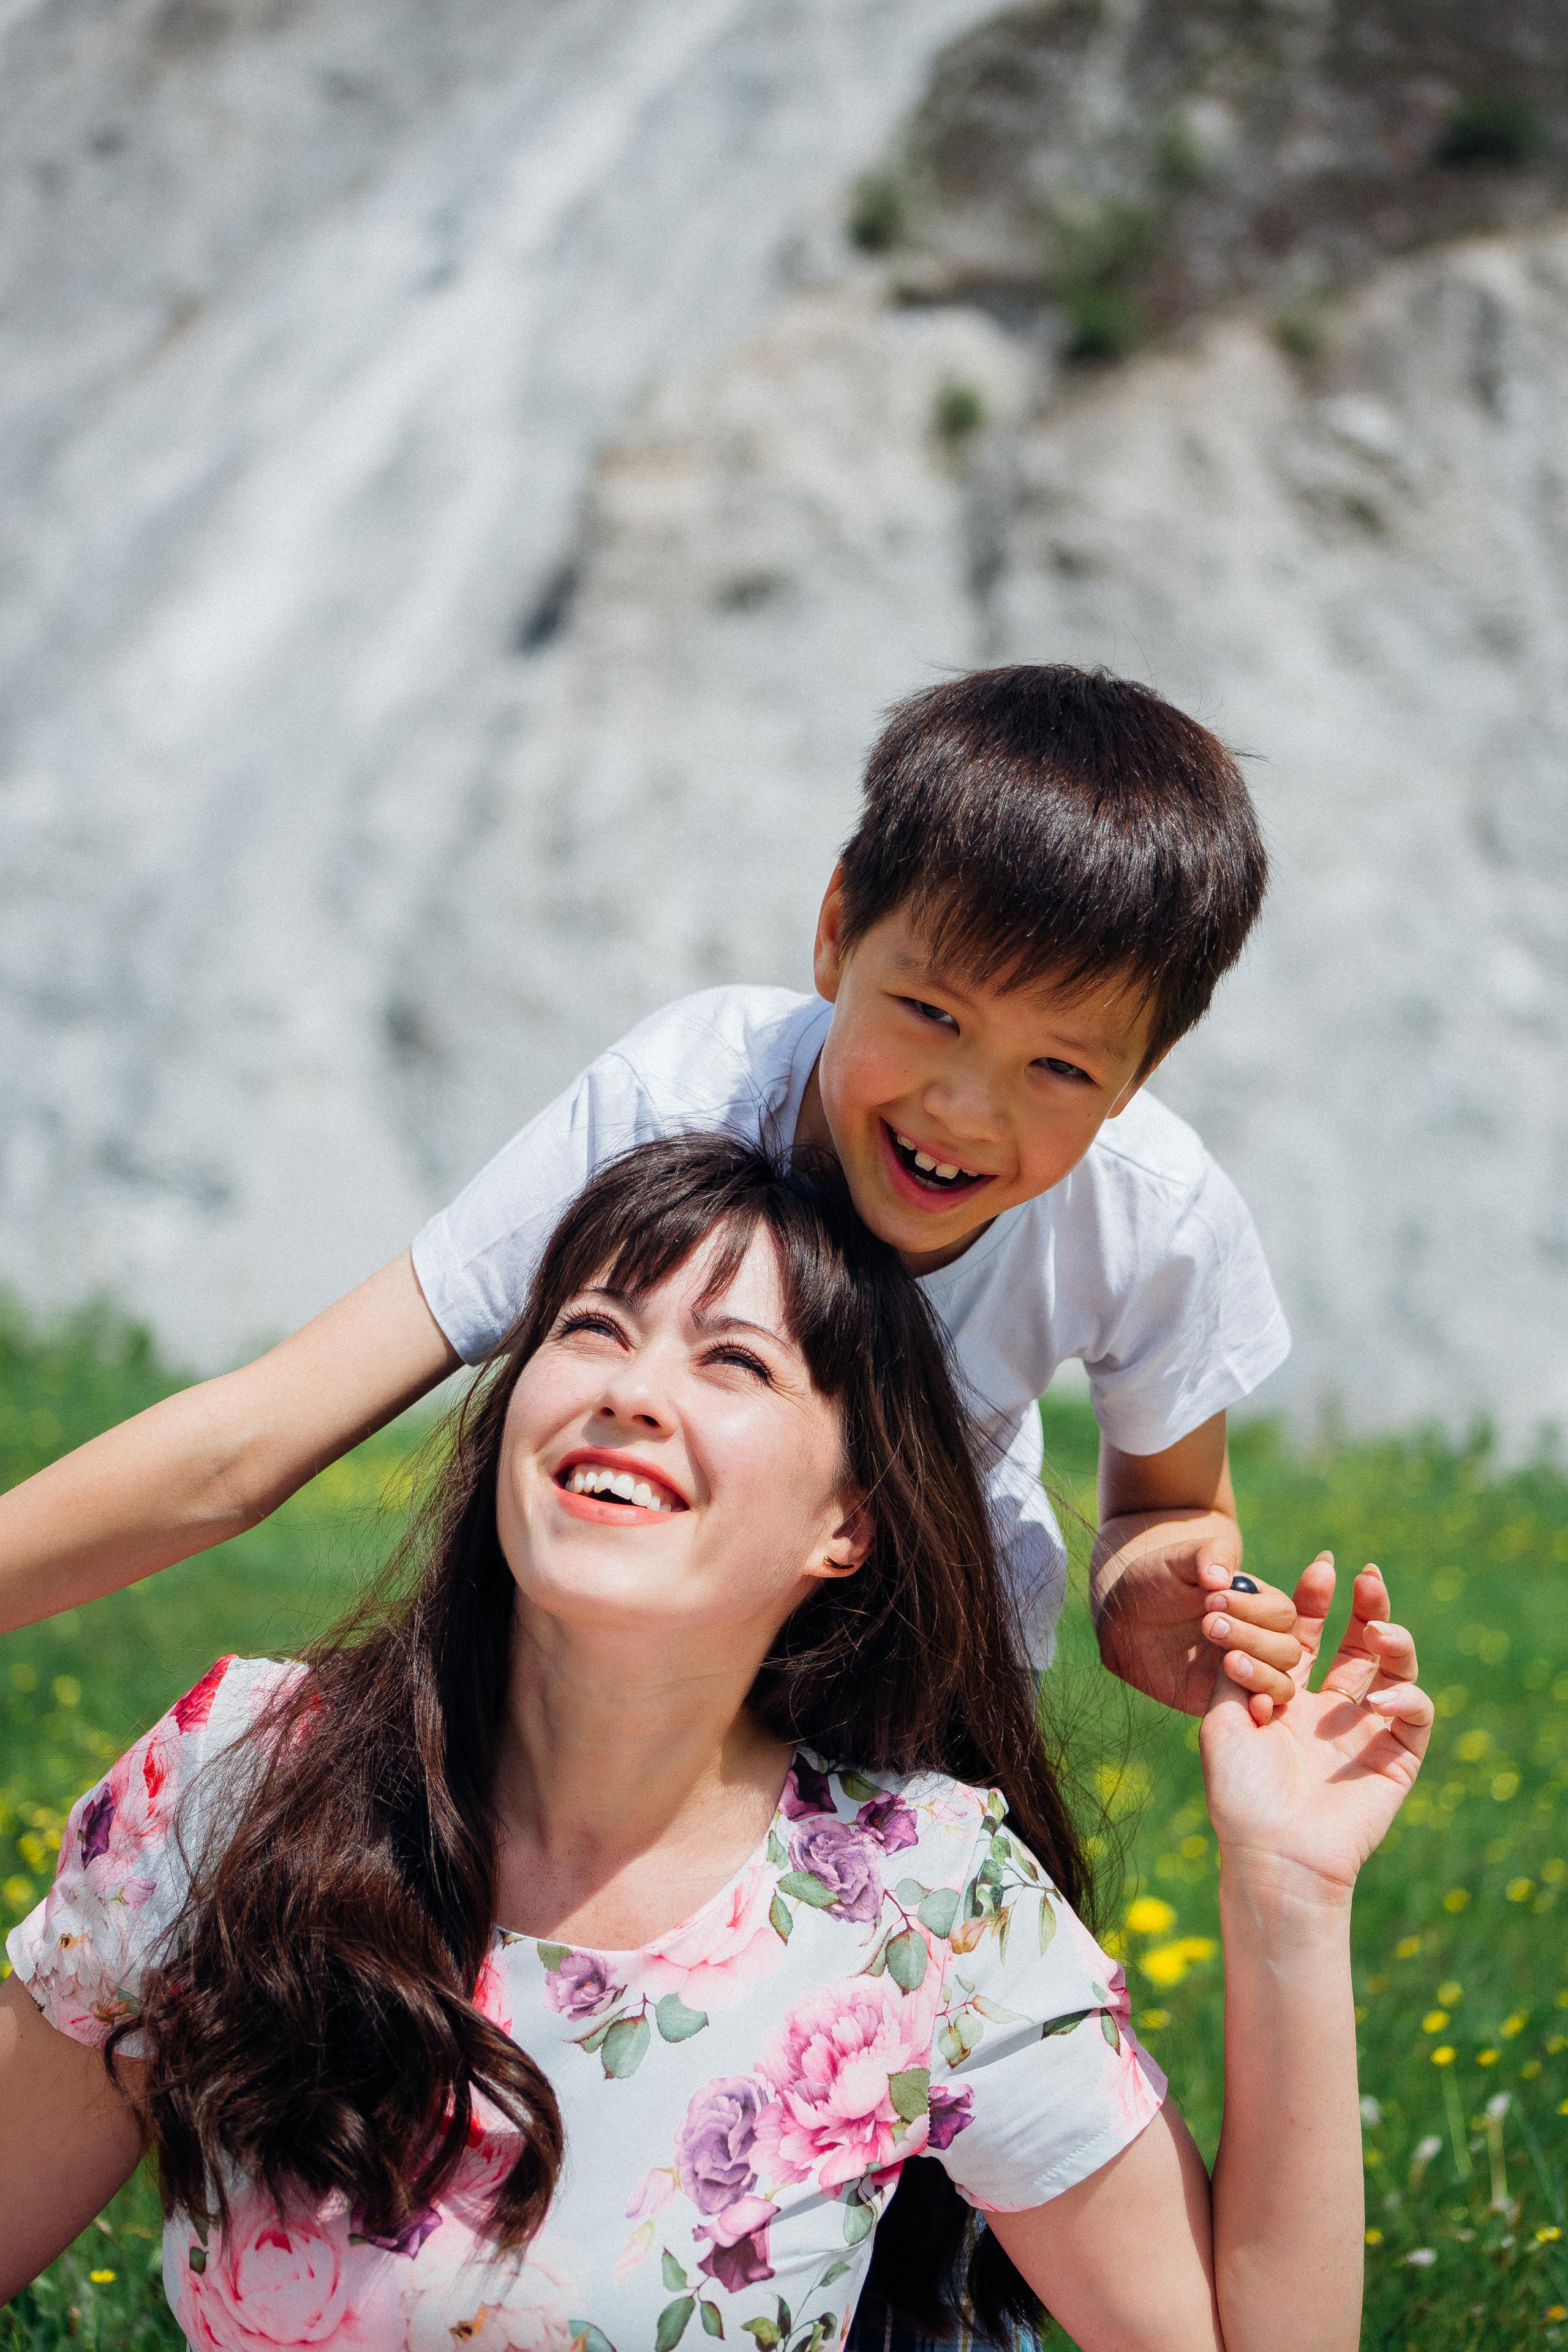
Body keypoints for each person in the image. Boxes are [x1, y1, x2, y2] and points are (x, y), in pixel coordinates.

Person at [2, 1137, 1428, 2351]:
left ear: (846, 1525)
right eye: (591, 1328)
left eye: (732, 1360)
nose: (631, 1388)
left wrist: (1287, 1893)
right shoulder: (239, 1774)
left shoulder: (921, 1908)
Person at [0, 665, 1305, 1721]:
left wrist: (1151, 1593)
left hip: (915, 1700)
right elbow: (257, 1437)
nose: (964, 1110)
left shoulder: (1152, 1216)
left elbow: (1168, 1506)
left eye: (1059, 1068)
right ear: (835, 933)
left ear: (1141, 1076)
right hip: (604, 1664)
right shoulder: (679, 1098)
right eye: (930, 1012)